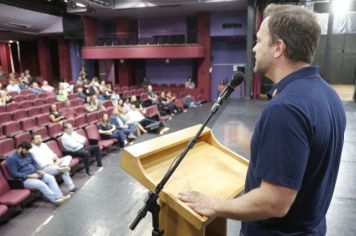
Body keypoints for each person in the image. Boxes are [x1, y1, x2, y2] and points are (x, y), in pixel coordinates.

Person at [178, 4, 346, 236]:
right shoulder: (328, 94)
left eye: (258, 40)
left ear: (278, 48)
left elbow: (274, 202)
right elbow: (307, 157)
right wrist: (255, 142)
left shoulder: (286, 108)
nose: (254, 48)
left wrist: (214, 204)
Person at [6, 141, 70, 205]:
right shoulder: (11, 158)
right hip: (25, 179)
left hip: (36, 174)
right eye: (26, 150)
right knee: (41, 184)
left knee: (50, 178)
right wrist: (29, 176)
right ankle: (56, 200)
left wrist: (39, 170)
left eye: (28, 150)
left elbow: (35, 164)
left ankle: (60, 197)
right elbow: (14, 174)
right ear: (20, 148)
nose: (28, 152)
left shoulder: (28, 153)